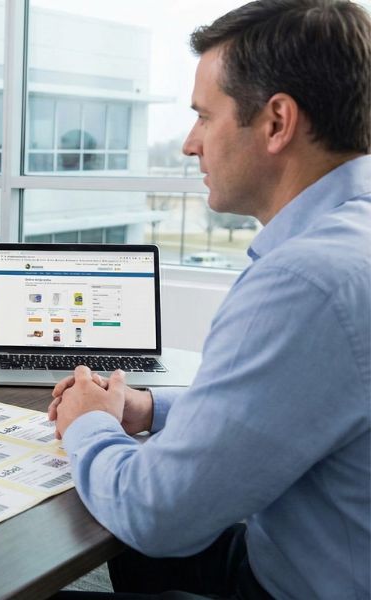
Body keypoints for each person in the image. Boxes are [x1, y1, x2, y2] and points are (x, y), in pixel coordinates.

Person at [49, 1, 370, 599]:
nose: (189, 144)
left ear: (277, 122)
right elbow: (286, 402)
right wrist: (147, 410)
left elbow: (155, 513)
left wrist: (86, 422)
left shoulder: (306, 280)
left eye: (203, 116)